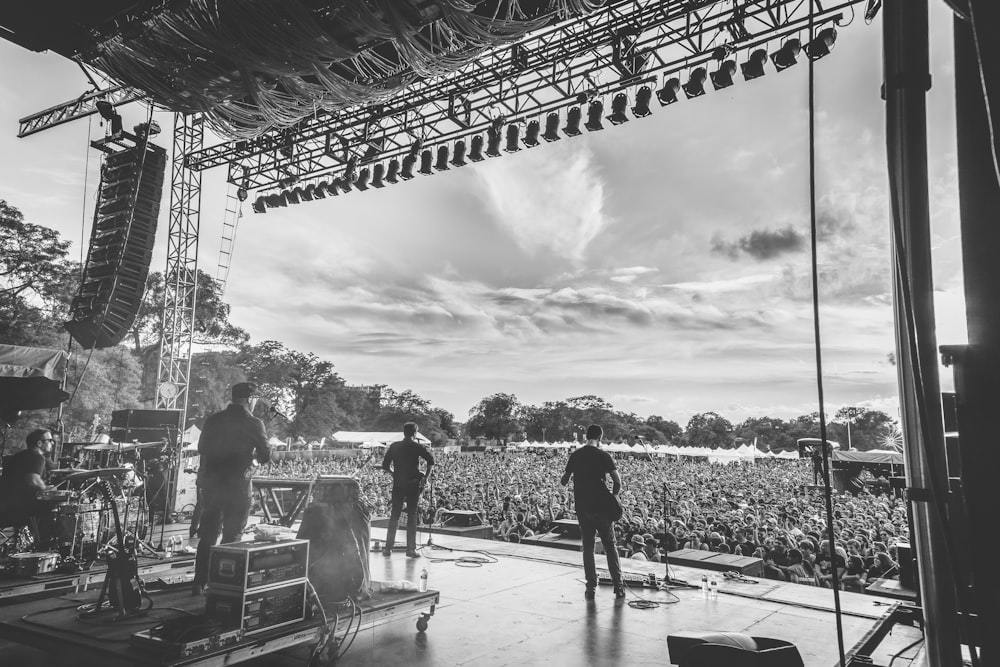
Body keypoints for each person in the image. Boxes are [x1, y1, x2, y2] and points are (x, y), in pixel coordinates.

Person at [192, 382, 270, 594]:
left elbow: (201, 448)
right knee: (232, 536)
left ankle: (199, 583)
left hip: (213, 484)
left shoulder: (214, 419)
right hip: (237, 486)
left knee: (208, 535)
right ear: (249, 399)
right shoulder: (253, 422)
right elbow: (265, 456)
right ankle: (222, 583)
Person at [560, 424, 624, 600]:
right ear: (601, 437)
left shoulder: (575, 455)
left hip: (583, 508)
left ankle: (590, 587)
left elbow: (564, 481)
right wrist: (615, 496)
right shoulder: (604, 456)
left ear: (585, 436)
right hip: (602, 507)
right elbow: (617, 481)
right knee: (610, 546)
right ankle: (618, 586)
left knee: (587, 548)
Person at [381, 422, 434, 558]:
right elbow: (431, 461)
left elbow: (385, 465)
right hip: (413, 484)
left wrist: (394, 474)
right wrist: (426, 477)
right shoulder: (416, 446)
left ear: (403, 432)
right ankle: (410, 550)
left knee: (394, 516)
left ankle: (388, 549)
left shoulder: (394, 446)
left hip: (398, 484)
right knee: (412, 516)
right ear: (415, 433)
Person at [0, 429, 56, 546]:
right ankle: (44, 546)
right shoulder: (38, 457)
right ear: (39, 443)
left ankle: (25, 541)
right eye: (50, 440)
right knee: (53, 506)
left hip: (5, 504)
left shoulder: (17, 456)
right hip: (20, 508)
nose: (53, 443)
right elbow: (33, 480)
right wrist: (47, 489)